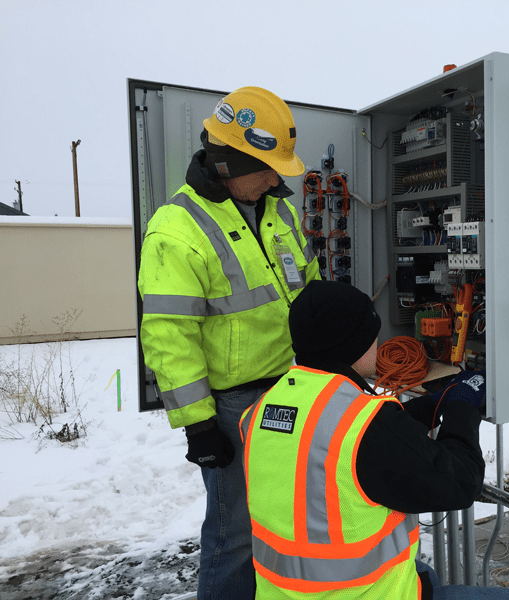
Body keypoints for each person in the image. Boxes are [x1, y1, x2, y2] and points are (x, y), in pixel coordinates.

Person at [138, 86, 320, 600]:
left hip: (292, 388)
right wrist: (198, 424)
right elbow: (170, 336)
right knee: (234, 534)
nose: (277, 177)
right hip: (232, 407)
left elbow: (307, 290)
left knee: (285, 521)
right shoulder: (176, 229)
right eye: (266, 166)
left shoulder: (277, 211)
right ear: (225, 161)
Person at [239, 280, 509, 599]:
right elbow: (461, 482)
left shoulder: (259, 411)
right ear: (356, 344)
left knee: (425, 571)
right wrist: (462, 405)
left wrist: (435, 403)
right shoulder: (366, 426)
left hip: (285, 592)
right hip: (364, 593)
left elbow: (346, 440)